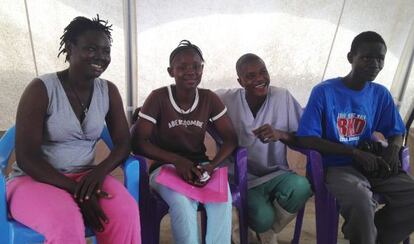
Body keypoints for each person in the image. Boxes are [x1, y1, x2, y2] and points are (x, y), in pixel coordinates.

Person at [7, 16, 141, 243]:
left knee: (125, 213)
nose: (100, 56)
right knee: (66, 223)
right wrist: (77, 190)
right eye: (91, 48)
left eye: (106, 51)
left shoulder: (108, 91)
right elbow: (27, 158)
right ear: (70, 49)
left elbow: (123, 143)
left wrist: (99, 173)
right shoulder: (41, 89)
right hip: (35, 180)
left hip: (88, 176)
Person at [297, 31, 414, 244]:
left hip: (372, 164)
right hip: (336, 167)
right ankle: (364, 234)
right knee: (361, 201)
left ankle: (372, 236)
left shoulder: (380, 94)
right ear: (350, 57)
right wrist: (353, 152)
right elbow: (306, 139)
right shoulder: (324, 92)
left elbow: (397, 131)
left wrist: (393, 149)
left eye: (380, 59)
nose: (374, 64)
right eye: (366, 58)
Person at [131, 40, 238, 244]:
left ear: (202, 69)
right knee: (182, 202)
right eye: (182, 67)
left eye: (196, 66)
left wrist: (212, 165)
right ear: (171, 71)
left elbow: (231, 138)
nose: (191, 71)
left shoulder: (209, 98)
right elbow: (138, 142)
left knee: (222, 201)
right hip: (165, 168)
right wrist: (177, 161)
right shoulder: (158, 97)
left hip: (201, 167)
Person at [215, 53, 312, 244]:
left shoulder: (282, 96)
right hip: (241, 178)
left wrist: (281, 134)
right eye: (250, 76)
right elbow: (195, 98)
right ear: (240, 81)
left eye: (263, 72)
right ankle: (261, 229)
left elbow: (305, 136)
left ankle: (261, 232)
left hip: (276, 173)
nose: (260, 79)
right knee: (263, 217)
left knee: (302, 187)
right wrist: (150, 109)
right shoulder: (225, 99)